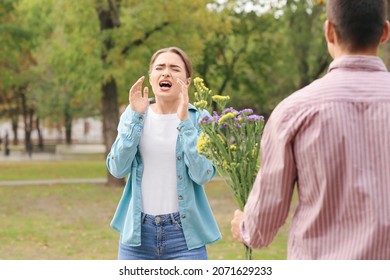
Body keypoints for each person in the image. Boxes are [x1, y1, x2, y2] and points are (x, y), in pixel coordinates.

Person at [231, 0, 390, 259]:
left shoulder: (293, 111)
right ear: (385, 32)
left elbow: (262, 227)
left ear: (329, 31)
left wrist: (245, 227)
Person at [106, 47, 221, 260]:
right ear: (151, 77)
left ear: (187, 82)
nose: (166, 72)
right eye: (160, 67)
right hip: (138, 236)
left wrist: (185, 121)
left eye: (174, 68)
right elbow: (117, 168)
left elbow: (203, 174)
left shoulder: (200, 118)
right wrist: (135, 118)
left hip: (184, 238)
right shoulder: (133, 115)